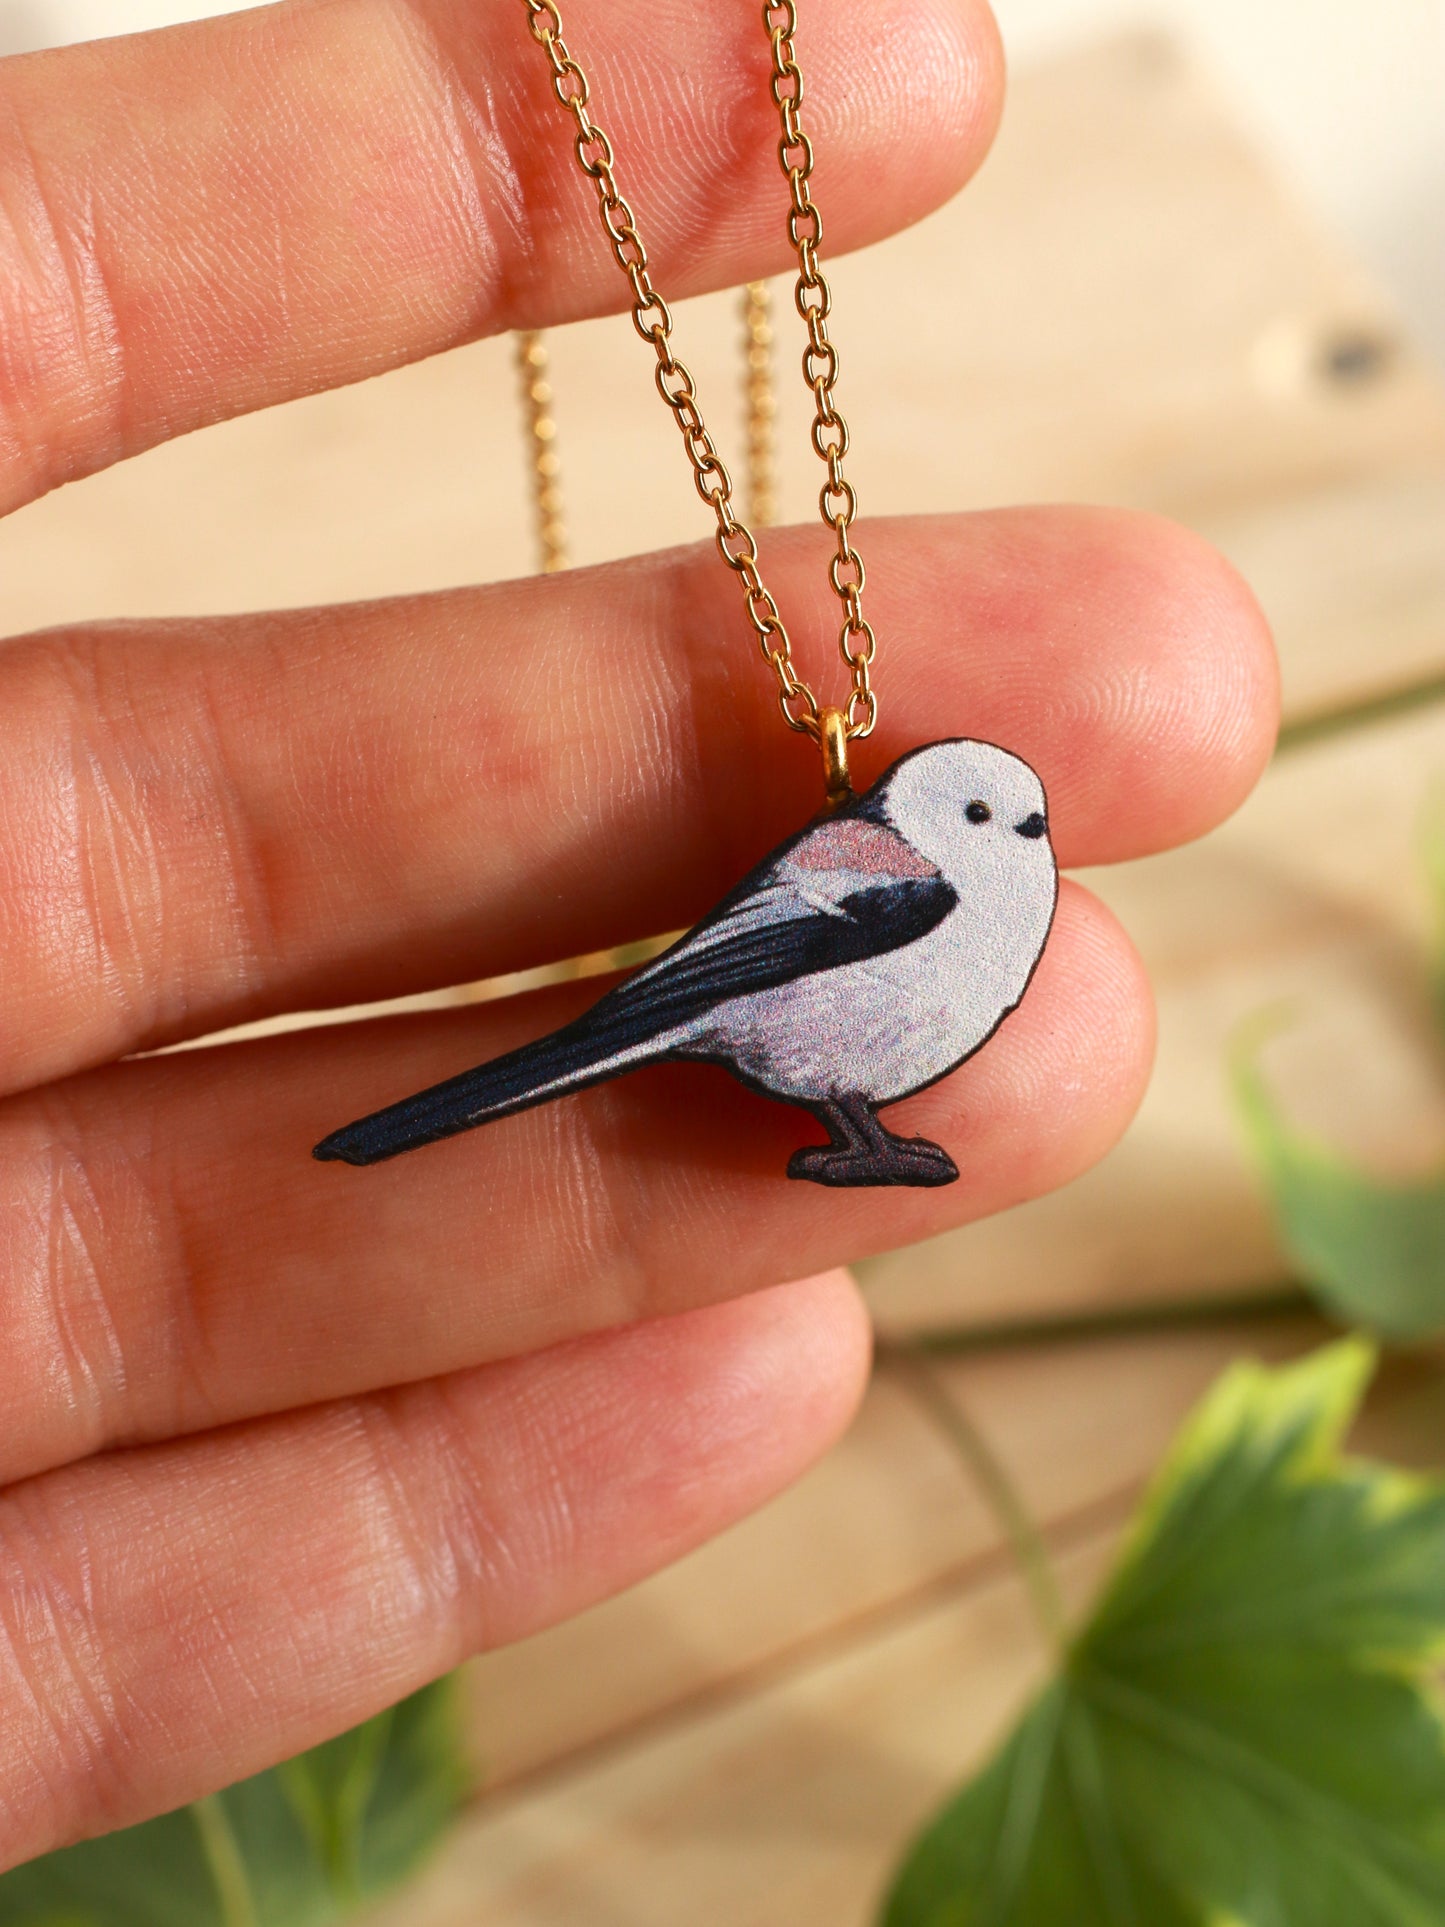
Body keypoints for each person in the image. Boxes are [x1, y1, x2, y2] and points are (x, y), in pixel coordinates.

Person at [0, 0, 1277, 1867]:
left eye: (1017, 821)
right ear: (933, 821)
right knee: (588, 1069)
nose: (1022, 846)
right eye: (992, 818)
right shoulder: (899, 874)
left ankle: (821, 1137)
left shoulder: (940, 869)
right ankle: (773, 1127)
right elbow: (759, 964)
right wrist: (688, 1022)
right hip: (746, 1016)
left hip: (790, 1053)